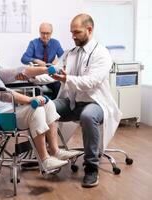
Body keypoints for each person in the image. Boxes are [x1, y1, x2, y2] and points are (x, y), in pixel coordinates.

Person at [0, 40, 80, 173]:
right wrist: (30, 99)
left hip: (8, 113)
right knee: (36, 108)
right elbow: (2, 94)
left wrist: (47, 69)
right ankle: (44, 159)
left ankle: (55, 151)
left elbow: (19, 71)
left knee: (47, 103)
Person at [50, 14, 122, 187]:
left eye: (77, 32)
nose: (73, 36)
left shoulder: (102, 54)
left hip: (95, 103)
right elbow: (54, 71)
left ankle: (91, 168)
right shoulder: (71, 53)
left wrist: (66, 78)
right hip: (72, 102)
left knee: (88, 116)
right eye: (71, 32)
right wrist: (35, 76)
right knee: (48, 107)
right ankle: (49, 156)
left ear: (89, 30)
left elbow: (91, 82)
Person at [21, 22, 64, 99]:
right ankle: (40, 108)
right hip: (37, 74)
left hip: (50, 74)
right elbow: (24, 58)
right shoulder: (33, 43)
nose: (45, 36)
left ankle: (54, 106)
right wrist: (35, 60)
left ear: (51, 33)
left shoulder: (55, 43)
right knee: (36, 91)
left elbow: (64, 57)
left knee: (59, 87)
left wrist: (58, 60)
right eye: (43, 33)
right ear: (39, 32)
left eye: (47, 33)